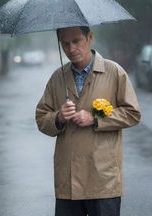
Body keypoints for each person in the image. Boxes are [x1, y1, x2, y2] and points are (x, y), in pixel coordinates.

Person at [35, 26, 141, 216]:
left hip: (103, 179)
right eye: (65, 44)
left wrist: (95, 118)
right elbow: (42, 117)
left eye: (76, 41)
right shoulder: (57, 78)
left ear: (89, 37)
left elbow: (132, 113)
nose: (71, 48)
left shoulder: (114, 72)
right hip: (68, 180)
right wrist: (58, 117)